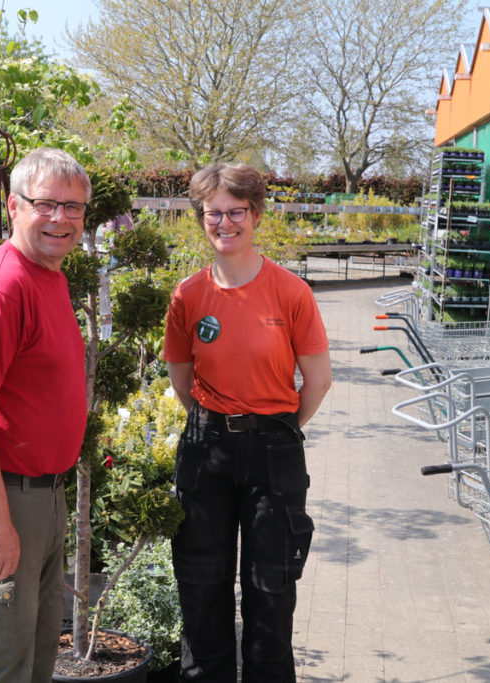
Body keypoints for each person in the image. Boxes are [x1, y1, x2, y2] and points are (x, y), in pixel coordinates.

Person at [163, 162, 333, 682]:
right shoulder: (187, 296)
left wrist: (275, 428)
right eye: (213, 213)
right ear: (201, 218)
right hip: (206, 452)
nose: (225, 223)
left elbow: (318, 381)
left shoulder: (291, 292)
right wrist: (216, 425)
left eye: (236, 211)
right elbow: (181, 378)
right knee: (201, 586)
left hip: (273, 454)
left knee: (270, 591)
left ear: (256, 214)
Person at [0, 147, 90, 681]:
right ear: (12, 206)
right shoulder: (3, 285)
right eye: (46, 204)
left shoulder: (49, 275)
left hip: (45, 498)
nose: (61, 219)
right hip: (3, 498)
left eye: (73, 208)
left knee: (34, 661)